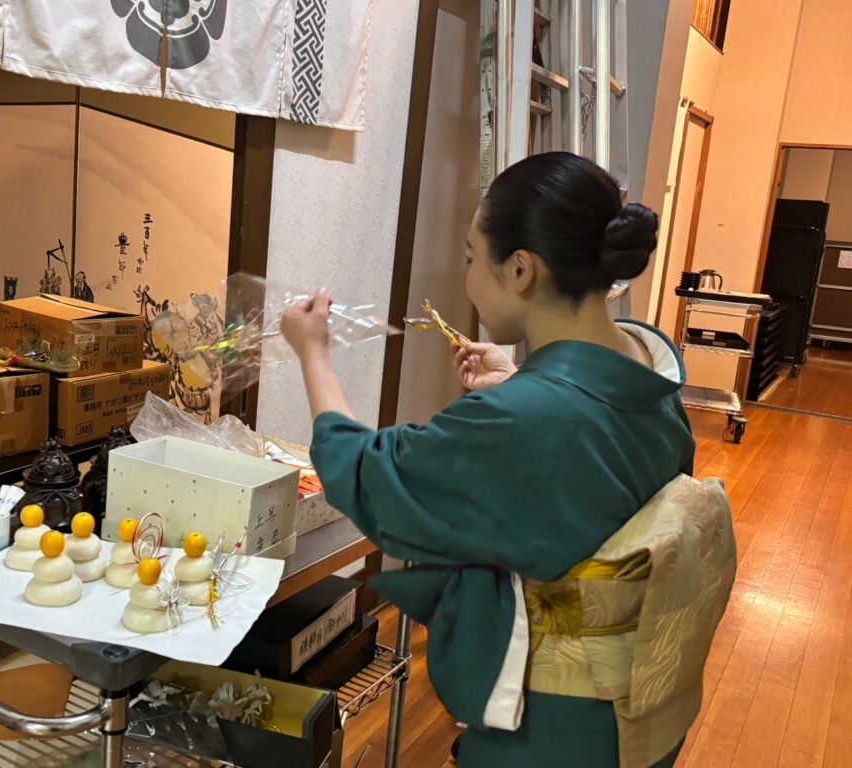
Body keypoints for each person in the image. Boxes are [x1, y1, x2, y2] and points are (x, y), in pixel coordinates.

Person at [280, 152, 736, 768]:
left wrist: (313, 354)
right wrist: (522, 381)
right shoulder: (647, 370)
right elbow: (588, 446)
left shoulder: (521, 419)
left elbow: (364, 472)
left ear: (521, 269)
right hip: (638, 714)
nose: (467, 277)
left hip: (553, 729)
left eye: (472, 258)